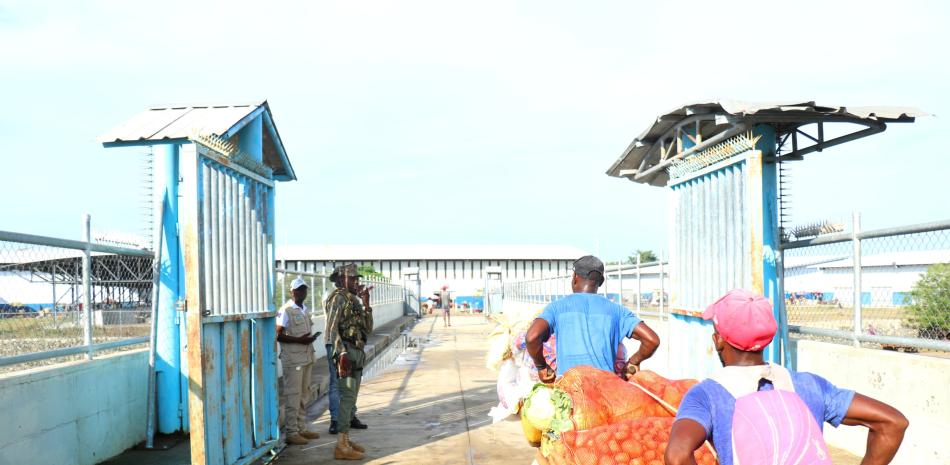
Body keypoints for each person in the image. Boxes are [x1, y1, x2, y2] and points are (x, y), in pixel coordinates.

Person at [665, 289, 909, 465]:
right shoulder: (808, 385)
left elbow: (677, 456)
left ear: (718, 340)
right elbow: (893, 423)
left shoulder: (708, 394)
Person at [526, 255, 660, 383]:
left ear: (574, 277)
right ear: (601, 282)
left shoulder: (557, 308)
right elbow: (652, 340)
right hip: (606, 390)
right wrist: (633, 362)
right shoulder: (617, 311)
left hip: (571, 390)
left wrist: (541, 367)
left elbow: (532, 337)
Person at [324, 264, 374, 460]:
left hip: (356, 351)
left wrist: (367, 303)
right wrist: (341, 354)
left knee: (351, 398)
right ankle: (341, 445)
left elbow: (367, 328)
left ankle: (345, 439)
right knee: (346, 397)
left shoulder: (353, 300)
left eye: (356, 279)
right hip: (346, 351)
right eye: (352, 279)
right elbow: (331, 329)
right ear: (340, 280)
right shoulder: (337, 298)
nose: (356, 282)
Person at [276, 277, 321, 445]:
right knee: (293, 396)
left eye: (304, 289)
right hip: (293, 360)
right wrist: (298, 340)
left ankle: (301, 428)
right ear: (292, 291)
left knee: (304, 394)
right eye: (299, 289)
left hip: (307, 357)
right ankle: (291, 432)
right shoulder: (286, 310)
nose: (303, 292)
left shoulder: (304, 309)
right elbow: (277, 334)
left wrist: (306, 340)